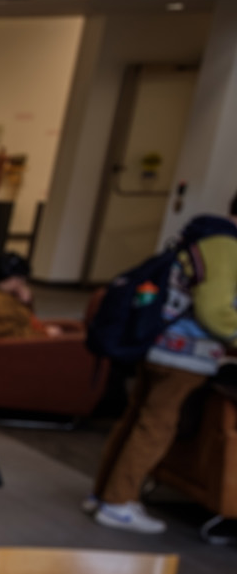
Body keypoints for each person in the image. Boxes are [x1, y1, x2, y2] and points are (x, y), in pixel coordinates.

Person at [90, 195, 237, 534]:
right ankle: (118, 502)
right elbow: (214, 310)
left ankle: (103, 494)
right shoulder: (227, 246)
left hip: (157, 343)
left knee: (136, 418)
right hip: (184, 353)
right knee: (156, 427)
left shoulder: (202, 234)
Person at [0, 253, 62, 341]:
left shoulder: (0, 295)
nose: (23, 283)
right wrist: (46, 334)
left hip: (29, 338)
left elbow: (25, 322)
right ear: (11, 278)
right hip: (24, 345)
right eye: (21, 279)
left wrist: (26, 302)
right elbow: (12, 335)